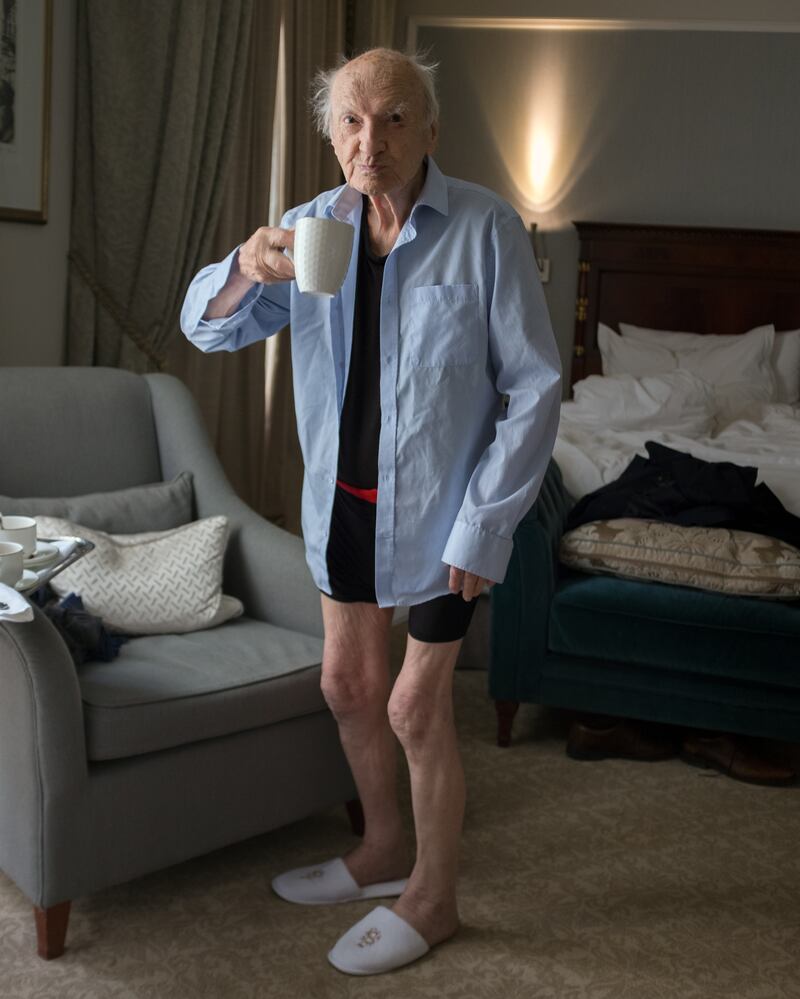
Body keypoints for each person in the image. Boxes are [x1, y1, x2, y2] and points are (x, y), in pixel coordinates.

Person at [181, 47, 561, 976]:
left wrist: (487, 525)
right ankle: (382, 849)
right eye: (352, 120)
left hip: (446, 520)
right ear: (331, 135)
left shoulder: (485, 229)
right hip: (343, 507)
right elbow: (206, 326)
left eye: (395, 118)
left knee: (414, 708)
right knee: (348, 688)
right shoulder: (312, 231)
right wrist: (244, 262)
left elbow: (538, 387)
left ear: (431, 130)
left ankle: (434, 897)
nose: (372, 138)